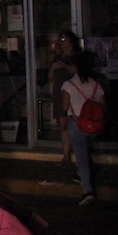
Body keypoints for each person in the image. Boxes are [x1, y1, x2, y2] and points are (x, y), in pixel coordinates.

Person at [62, 51, 105, 206]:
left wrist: (63, 121)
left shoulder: (69, 85)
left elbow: (65, 106)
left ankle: (88, 190)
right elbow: (103, 106)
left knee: (81, 157)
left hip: (77, 124)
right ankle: (83, 174)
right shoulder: (96, 84)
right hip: (94, 126)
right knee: (86, 152)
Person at [49, 32, 80, 164]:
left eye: (64, 39)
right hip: (59, 93)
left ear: (71, 41)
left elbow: (77, 72)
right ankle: (66, 155)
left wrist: (65, 66)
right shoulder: (57, 58)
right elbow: (50, 78)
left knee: (76, 123)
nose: (62, 42)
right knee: (63, 123)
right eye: (60, 39)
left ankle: (80, 154)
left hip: (74, 93)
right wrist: (53, 68)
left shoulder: (77, 57)